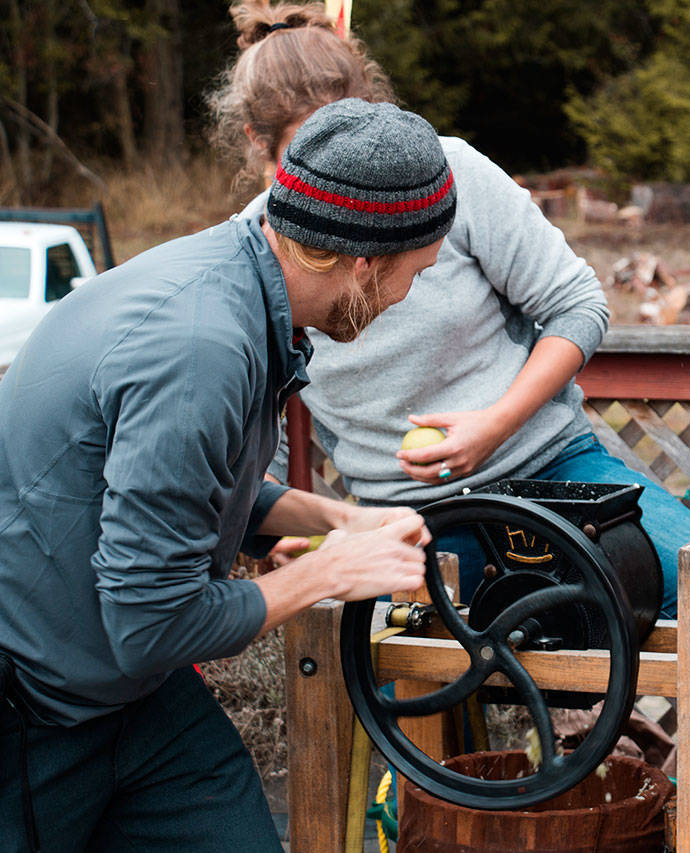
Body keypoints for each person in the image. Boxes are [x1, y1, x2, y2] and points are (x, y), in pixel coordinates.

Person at [0, 98, 457, 851]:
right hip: (36, 703)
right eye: (418, 272)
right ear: (366, 263)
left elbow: (186, 493)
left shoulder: (238, 275)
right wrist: (323, 575)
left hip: (127, 693)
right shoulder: (201, 348)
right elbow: (151, 624)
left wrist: (336, 520)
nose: (410, 296)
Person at [206, 0, 690, 616]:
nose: (346, 190)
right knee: (405, 696)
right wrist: (296, 525)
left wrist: (497, 422)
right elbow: (257, 442)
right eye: (312, 159)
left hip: (553, 472)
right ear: (256, 144)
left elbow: (576, 305)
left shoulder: (451, 173)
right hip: (409, 522)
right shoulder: (249, 254)